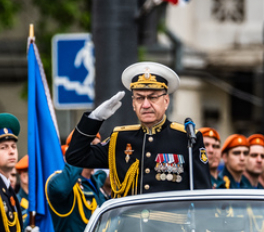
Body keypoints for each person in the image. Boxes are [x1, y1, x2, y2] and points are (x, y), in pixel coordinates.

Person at [65, 61, 211, 196]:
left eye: (153, 97)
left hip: (171, 224)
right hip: (128, 224)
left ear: (166, 101)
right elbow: (75, 156)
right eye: (140, 98)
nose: (146, 105)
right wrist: (94, 119)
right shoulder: (120, 139)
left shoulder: (185, 138)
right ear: (133, 103)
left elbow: (203, 193)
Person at [47, 158, 109, 232]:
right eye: (90, 145)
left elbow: (103, 174)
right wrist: (79, 156)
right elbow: (59, 189)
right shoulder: (68, 186)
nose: (94, 149)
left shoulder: (96, 183)